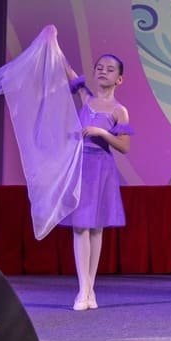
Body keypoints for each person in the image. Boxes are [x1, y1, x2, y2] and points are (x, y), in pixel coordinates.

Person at [60, 55, 132, 311]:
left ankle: (89, 288)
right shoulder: (86, 97)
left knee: (96, 228)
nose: (103, 71)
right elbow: (69, 71)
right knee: (80, 227)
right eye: (99, 68)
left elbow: (124, 146)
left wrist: (101, 132)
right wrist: (52, 41)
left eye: (110, 69)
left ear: (119, 79)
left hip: (102, 168)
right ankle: (83, 290)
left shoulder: (119, 110)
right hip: (82, 167)